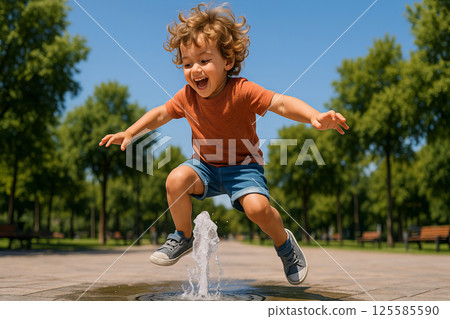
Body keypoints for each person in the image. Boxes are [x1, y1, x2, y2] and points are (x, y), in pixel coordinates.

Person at [99, 3, 348, 285]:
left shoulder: (242, 90)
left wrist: (314, 115)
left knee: (257, 210)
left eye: (204, 61)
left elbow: (280, 103)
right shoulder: (186, 96)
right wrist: (131, 132)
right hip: (204, 166)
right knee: (175, 179)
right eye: (187, 63)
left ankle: (284, 243)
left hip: (243, 167)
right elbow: (160, 113)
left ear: (227, 61)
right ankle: (182, 236)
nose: (195, 70)